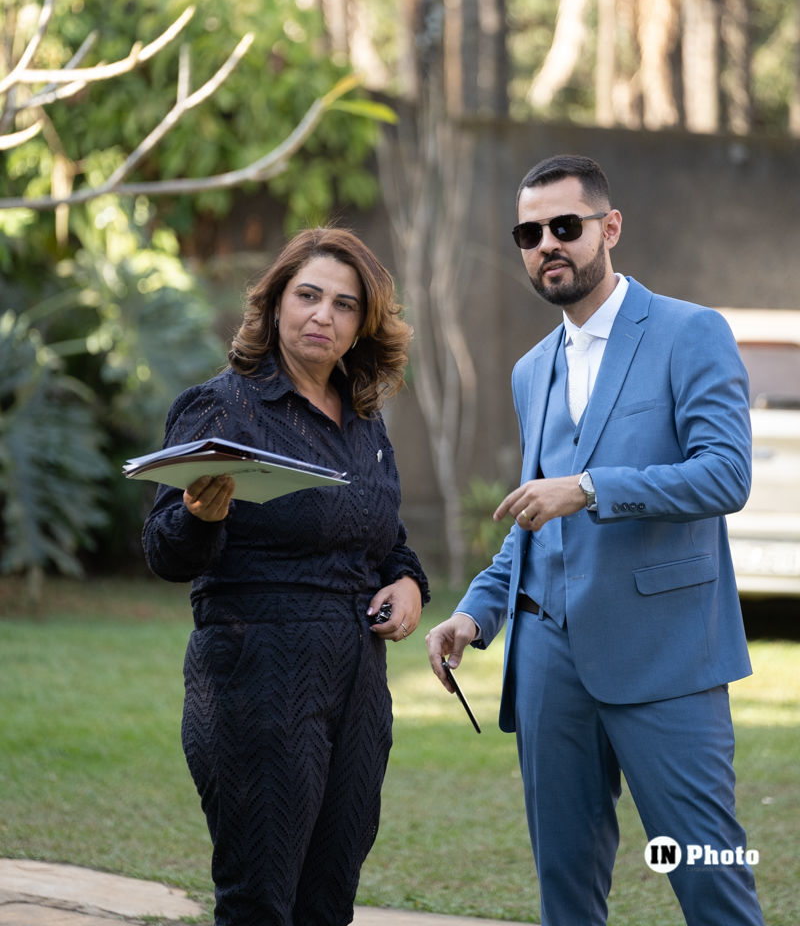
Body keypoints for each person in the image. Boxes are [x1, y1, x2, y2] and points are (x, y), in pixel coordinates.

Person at [425, 155, 764, 926]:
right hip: (549, 666)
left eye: (566, 227)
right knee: (565, 890)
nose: (548, 243)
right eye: (530, 231)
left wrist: (591, 486)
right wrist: (478, 614)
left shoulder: (690, 332)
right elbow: (532, 521)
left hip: (667, 655)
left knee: (710, 871)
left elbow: (725, 476)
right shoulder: (528, 371)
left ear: (609, 229)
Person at [143, 226, 429, 926]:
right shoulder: (221, 409)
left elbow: (383, 538)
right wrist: (199, 515)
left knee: (329, 898)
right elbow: (164, 553)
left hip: (358, 685)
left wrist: (410, 582)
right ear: (274, 304)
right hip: (256, 674)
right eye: (307, 296)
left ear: (363, 325)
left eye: (344, 304)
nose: (322, 315)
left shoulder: (364, 420)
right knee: (259, 900)